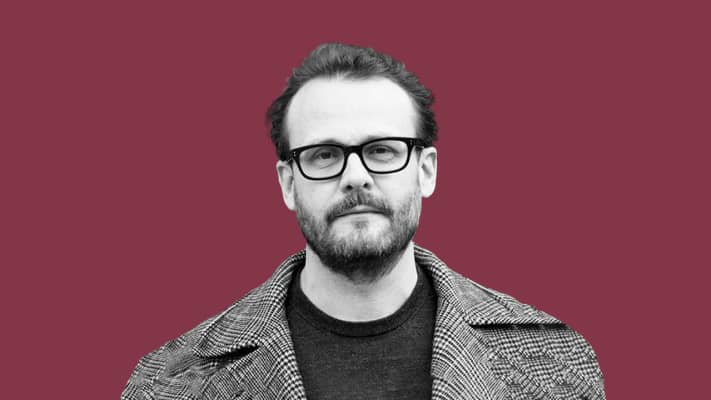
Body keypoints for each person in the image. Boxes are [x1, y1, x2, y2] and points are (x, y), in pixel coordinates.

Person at [121, 43, 605, 400]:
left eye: (382, 151)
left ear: (426, 171)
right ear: (288, 183)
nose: (356, 177)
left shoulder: (557, 363)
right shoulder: (168, 383)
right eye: (325, 154)